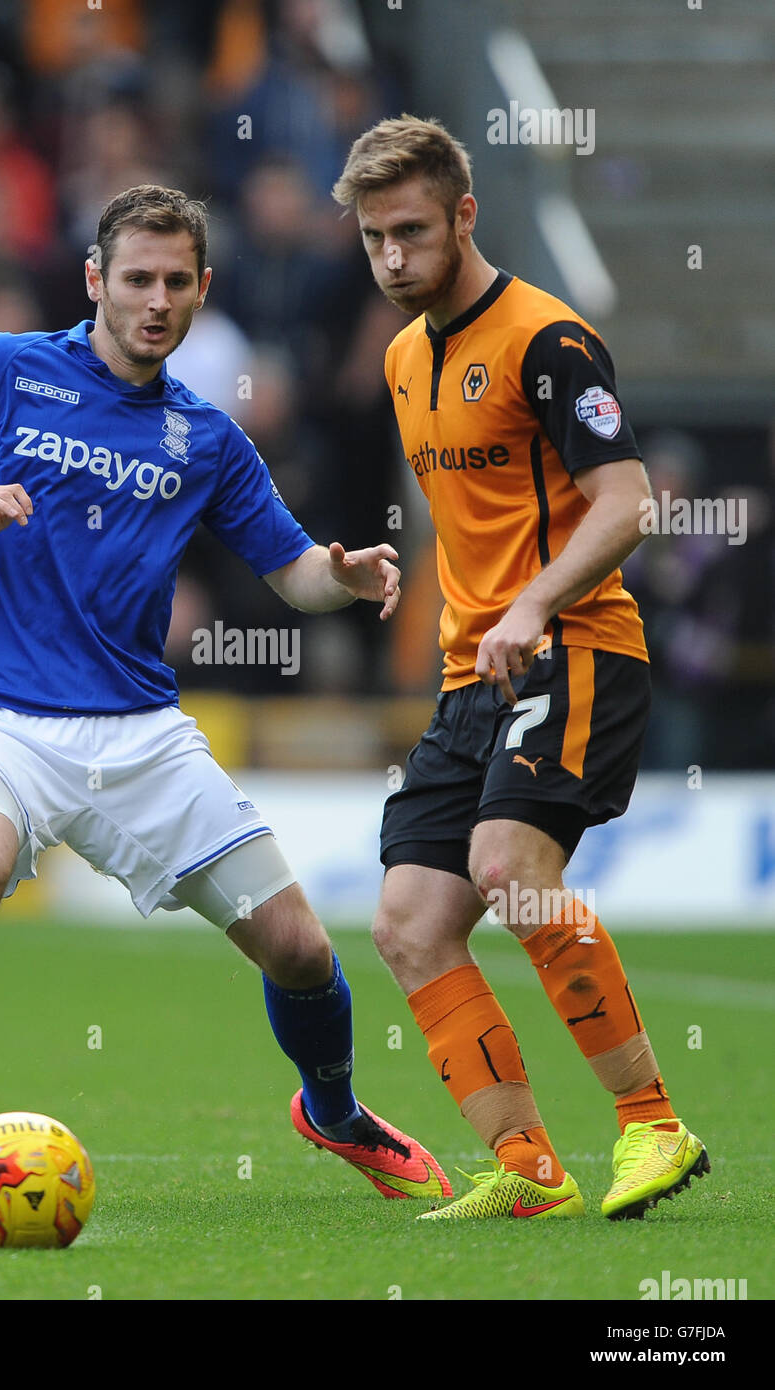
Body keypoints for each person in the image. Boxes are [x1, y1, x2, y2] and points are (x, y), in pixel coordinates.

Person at [0, 183, 453, 1209]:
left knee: (300, 949)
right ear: (94, 282)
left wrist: (336, 579)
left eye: (176, 282)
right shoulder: (3, 369)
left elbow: (290, 568)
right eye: (136, 279)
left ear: (203, 289)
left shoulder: (205, 437)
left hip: (142, 734)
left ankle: (335, 1111)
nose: (156, 300)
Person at [332, 116, 708, 1220]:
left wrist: (534, 600)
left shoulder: (549, 339)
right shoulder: (405, 356)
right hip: (472, 677)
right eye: (372, 241)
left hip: (578, 645)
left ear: (465, 216)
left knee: (511, 868)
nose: (393, 259)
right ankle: (529, 1168)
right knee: (408, 918)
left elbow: (630, 499)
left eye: (410, 232)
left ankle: (655, 1128)